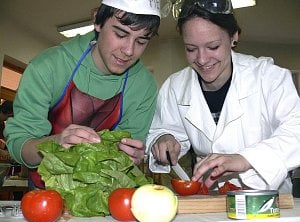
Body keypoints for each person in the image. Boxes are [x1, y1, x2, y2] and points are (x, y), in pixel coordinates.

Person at [146, 0, 300, 193]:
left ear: (234, 37)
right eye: (191, 49)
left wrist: (246, 158)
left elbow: (296, 132)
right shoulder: (175, 87)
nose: (202, 59)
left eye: (213, 46)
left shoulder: (269, 77)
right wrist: (164, 139)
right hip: (209, 202)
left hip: (266, 202)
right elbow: (164, 129)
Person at [4, 0, 161, 189]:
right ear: (97, 21)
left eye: (141, 41)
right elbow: (20, 145)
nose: (129, 50)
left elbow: (129, 152)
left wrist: (132, 155)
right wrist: (55, 142)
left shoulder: (144, 86)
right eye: (120, 34)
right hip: (45, 191)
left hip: (104, 191)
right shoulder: (48, 67)